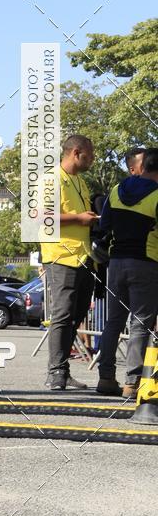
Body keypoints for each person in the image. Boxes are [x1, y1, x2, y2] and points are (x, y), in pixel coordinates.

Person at [96, 148, 158, 398]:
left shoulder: (116, 190)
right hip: (146, 263)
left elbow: (104, 225)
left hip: (116, 262)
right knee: (141, 324)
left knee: (114, 321)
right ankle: (132, 383)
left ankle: (105, 378)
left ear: (142, 167)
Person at [41, 135, 98, 391]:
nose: (93, 158)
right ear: (77, 152)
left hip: (84, 256)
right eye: (90, 153)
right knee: (62, 314)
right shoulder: (51, 179)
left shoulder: (80, 182)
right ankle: (55, 373)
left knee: (76, 315)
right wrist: (78, 218)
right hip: (62, 256)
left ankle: (63, 370)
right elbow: (42, 216)